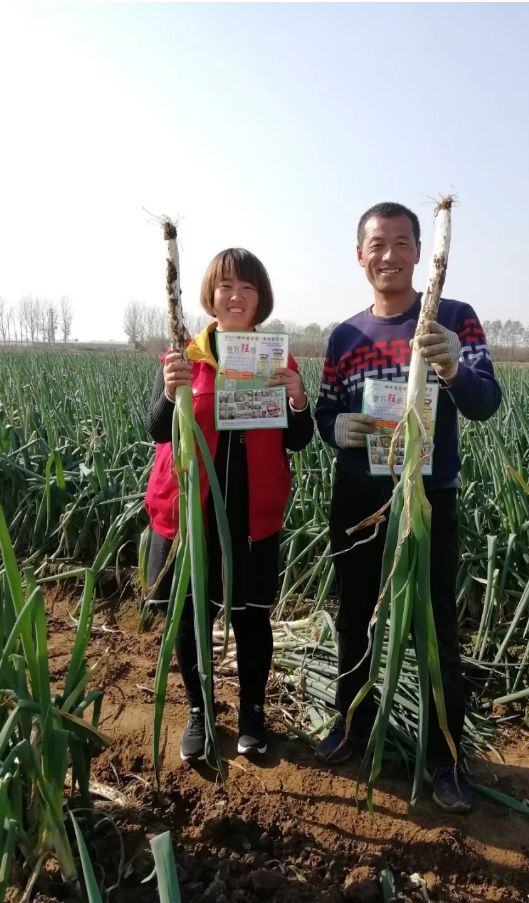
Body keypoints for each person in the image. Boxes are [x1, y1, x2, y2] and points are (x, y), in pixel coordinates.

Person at [313, 202, 501, 812]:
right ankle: (350, 723)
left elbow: (485, 402)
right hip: (358, 498)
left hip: (427, 498)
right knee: (355, 619)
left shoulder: (453, 318)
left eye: (401, 243)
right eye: (377, 244)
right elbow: (325, 410)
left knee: (436, 627)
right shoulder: (345, 336)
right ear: (359, 255)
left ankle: (447, 755)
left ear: (420, 252)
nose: (388, 255)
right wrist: (335, 426)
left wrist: (453, 366)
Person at [144, 248, 313, 764]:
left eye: (247, 287)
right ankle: (200, 713)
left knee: (251, 619)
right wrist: (169, 391)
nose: (236, 296)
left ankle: (252, 715)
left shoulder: (277, 359)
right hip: (191, 513)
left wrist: (298, 399)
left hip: (251, 515)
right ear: (211, 296)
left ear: (260, 298)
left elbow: (298, 438)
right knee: (191, 616)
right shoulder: (186, 356)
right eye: (226, 287)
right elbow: (156, 430)